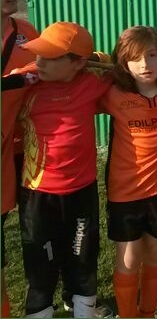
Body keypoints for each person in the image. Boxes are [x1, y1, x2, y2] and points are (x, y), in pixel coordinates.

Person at [14, 22, 111, 318]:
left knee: (83, 258)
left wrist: (100, 58)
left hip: (82, 192)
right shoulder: (25, 84)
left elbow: (125, 69)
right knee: (40, 266)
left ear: (78, 63)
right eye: (38, 54)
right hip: (38, 193)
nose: (39, 62)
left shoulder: (93, 81)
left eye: (50, 57)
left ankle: (83, 310)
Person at [102, 27, 157, 318]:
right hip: (125, 192)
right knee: (128, 258)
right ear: (123, 63)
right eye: (135, 58)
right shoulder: (112, 93)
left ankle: (147, 312)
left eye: (151, 55)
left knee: (155, 254)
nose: (145, 64)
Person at [0, 0, 38, 318]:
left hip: (28, 147)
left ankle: (47, 297)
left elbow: (53, 64)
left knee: (38, 228)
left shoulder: (27, 31)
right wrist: (14, 81)